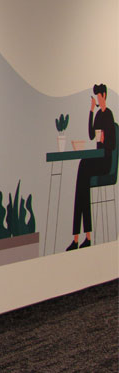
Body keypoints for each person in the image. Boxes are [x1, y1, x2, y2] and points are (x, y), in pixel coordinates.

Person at [66, 84, 116, 251]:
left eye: (99, 96)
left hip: (105, 162)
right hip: (96, 160)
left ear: (103, 96)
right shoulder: (98, 115)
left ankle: (80, 237)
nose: (98, 99)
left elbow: (113, 144)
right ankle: (82, 237)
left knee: (83, 174)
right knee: (82, 182)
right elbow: (90, 134)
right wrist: (90, 111)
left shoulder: (109, 115)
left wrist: (104, 139)